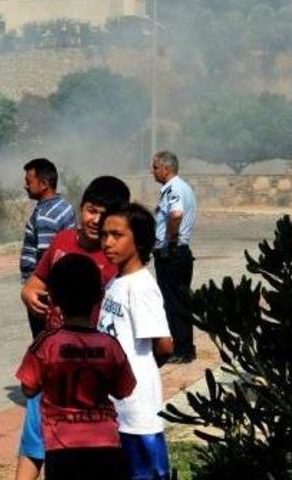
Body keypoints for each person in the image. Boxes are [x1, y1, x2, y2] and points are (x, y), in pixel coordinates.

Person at [15, 176, 130, 480]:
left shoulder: (116, 259)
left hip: (92, 366)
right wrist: (29, 295)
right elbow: (35, 283)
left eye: (104, 215)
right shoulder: (63, 240)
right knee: (33, 441)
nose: (95, 220)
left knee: (80, 446)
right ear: (81, 207)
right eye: (91, 210)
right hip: (52, 361)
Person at [98, 203, 175, 480]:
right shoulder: (115, 283)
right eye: (104, 235)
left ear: (139, 240)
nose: (107, 242)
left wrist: (135, 372)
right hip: (115, 406)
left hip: (138, 409)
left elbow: (164, 345)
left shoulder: (142, 287)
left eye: (117, 235)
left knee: (145, 473)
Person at [20, 158, 77, 338]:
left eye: (29, 182)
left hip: (43, 295)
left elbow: (48, 259)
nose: (25, 186)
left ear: (44, 184)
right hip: (62, 289)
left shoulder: (46, 217)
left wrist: (43, 294)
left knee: (45, 343)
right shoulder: (64, 206)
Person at [151, 151, 197, 364]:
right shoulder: (179, 187)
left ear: (166, 168)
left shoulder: (174, 188)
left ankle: (182, 349)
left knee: (174, 302)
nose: (153, 171)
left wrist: (168, 240)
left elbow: (176, 214)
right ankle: (182, 346)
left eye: (156, 167)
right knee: (176, 300)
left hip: (173, 252)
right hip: (176, 251)